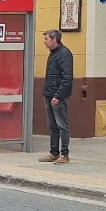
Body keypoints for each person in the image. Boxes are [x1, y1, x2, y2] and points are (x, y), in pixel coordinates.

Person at [41, 29, 73, 164]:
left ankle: (65, 154)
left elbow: (67, 78)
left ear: (55, 40)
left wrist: (58, 96)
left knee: (62, 125)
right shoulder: (53, 53)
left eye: (46, 39)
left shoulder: (64, 54)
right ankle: (54, 152)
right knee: (52, 125)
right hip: (49, 93)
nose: (44, 42)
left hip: (57, 96)